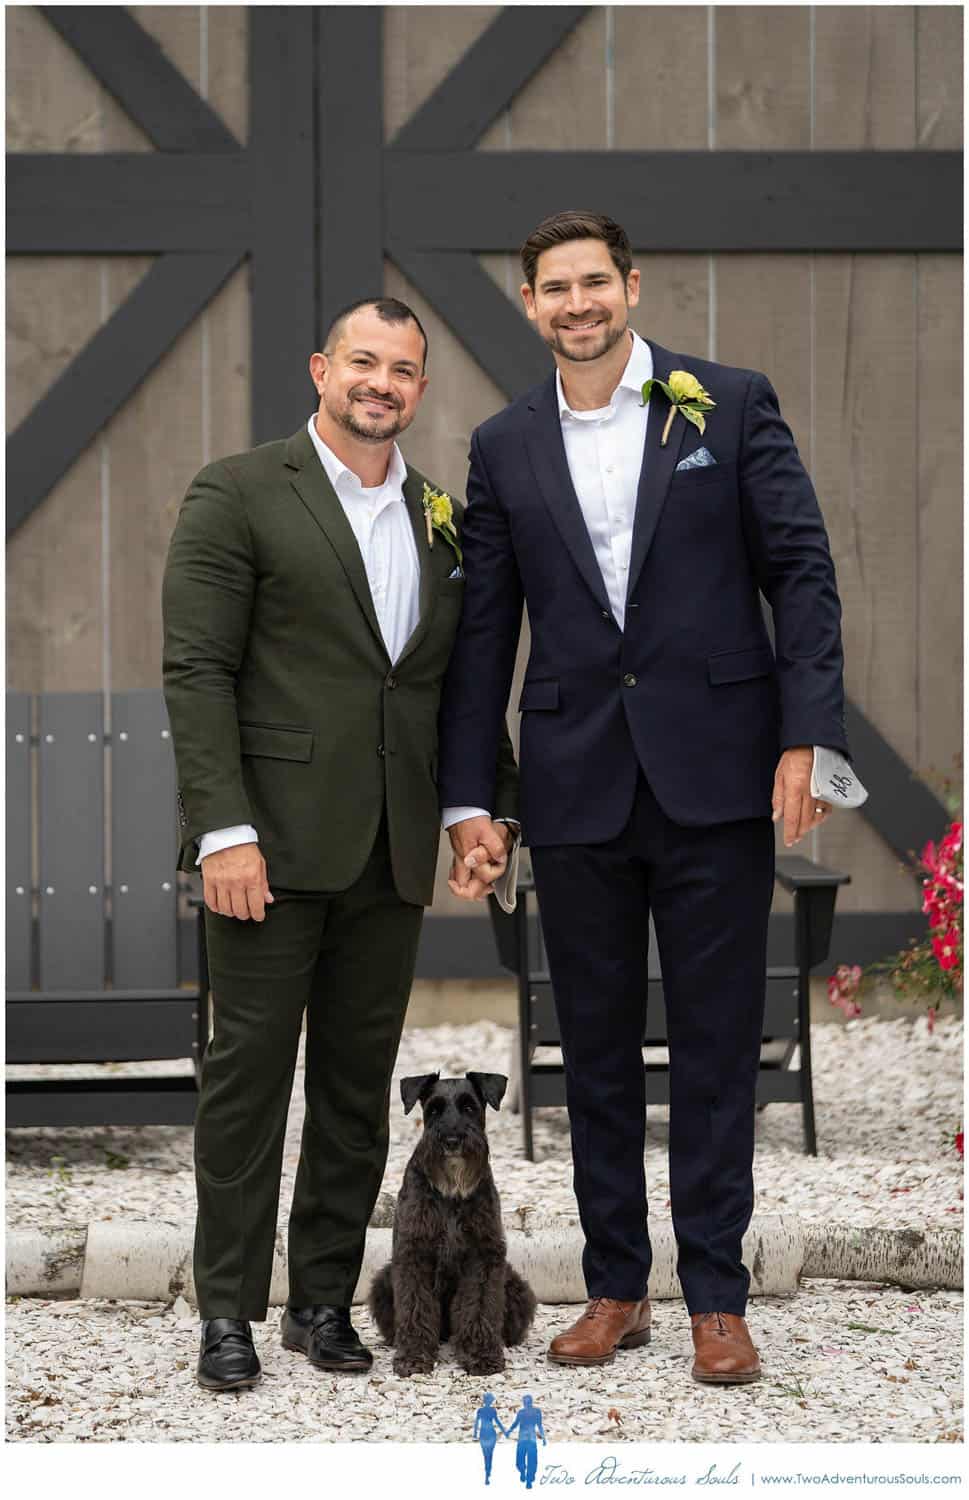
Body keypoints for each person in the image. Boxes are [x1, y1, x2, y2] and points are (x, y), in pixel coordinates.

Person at [439, 211, 856, 1383]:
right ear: (531, 305)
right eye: (554, 289)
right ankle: (617, 1283)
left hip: (719, 777)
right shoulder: (502, 444)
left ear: (632, 286)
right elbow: (485, 638)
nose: (578, 304)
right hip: (577, 790)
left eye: (595, 283)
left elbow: (802, 574)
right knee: (597, 1051)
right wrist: (470, 797)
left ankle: (717, 1295)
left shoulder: (727, 401)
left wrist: (809, 742)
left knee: (718, 1044)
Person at [162, 297, 517, 1392]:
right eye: (363, 361)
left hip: (389, 855)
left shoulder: (438, 516)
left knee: (358, 1098)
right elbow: (198, 671)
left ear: (418, 387)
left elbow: (452, 688)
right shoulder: (238, 491)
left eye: (403, 368)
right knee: (248, 1090)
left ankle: (321, 1301)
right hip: (262, 854)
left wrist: (475, 809)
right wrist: (223, 831)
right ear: (322, 368)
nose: (382, 382)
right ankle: (227, 1311)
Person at [505, 1394, 546, 1488]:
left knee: (520, 1460)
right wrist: (543, 1438)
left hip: (522, 1439)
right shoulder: (537, 1411)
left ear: (524, 1403)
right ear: (531, 1402)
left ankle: (523, 1472)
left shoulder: (521, 1412)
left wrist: (509, 1431)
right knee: (532, 1460)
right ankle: (529, 1479)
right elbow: (539, 1426)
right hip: (531, 1439)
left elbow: (515, 1424)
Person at [473, 1392, 508, 1485]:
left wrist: (475, 1435)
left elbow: (476, 1423)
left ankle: (486, 1474)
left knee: (485, 1456)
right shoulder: (493, 1410)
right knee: (490, 1455)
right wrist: (505, 1432)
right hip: (491, 1433)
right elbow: (498, 1422)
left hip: (483, 1433)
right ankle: (488, 1473)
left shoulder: (480, 1410)